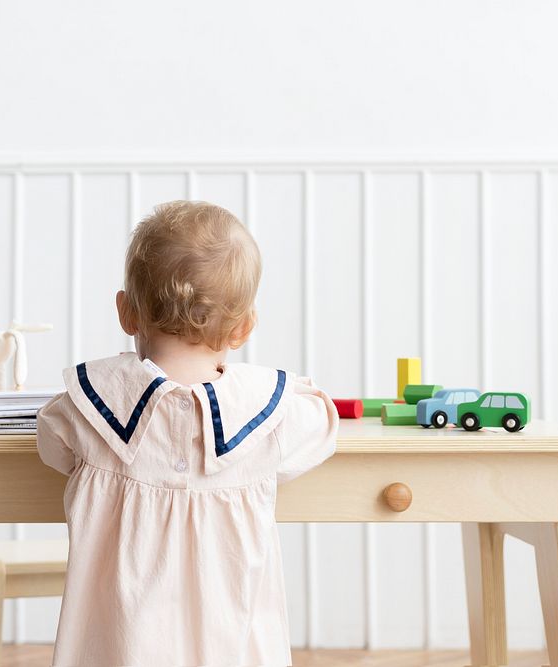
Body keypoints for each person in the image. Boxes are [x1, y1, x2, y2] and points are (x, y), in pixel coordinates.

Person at [37, 200, 338, 666]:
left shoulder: (91, 407)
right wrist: (292, 386)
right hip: (231, 649)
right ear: (244, 328)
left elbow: (50, 441)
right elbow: (322, 424)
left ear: (126, 312)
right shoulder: (265, 414)